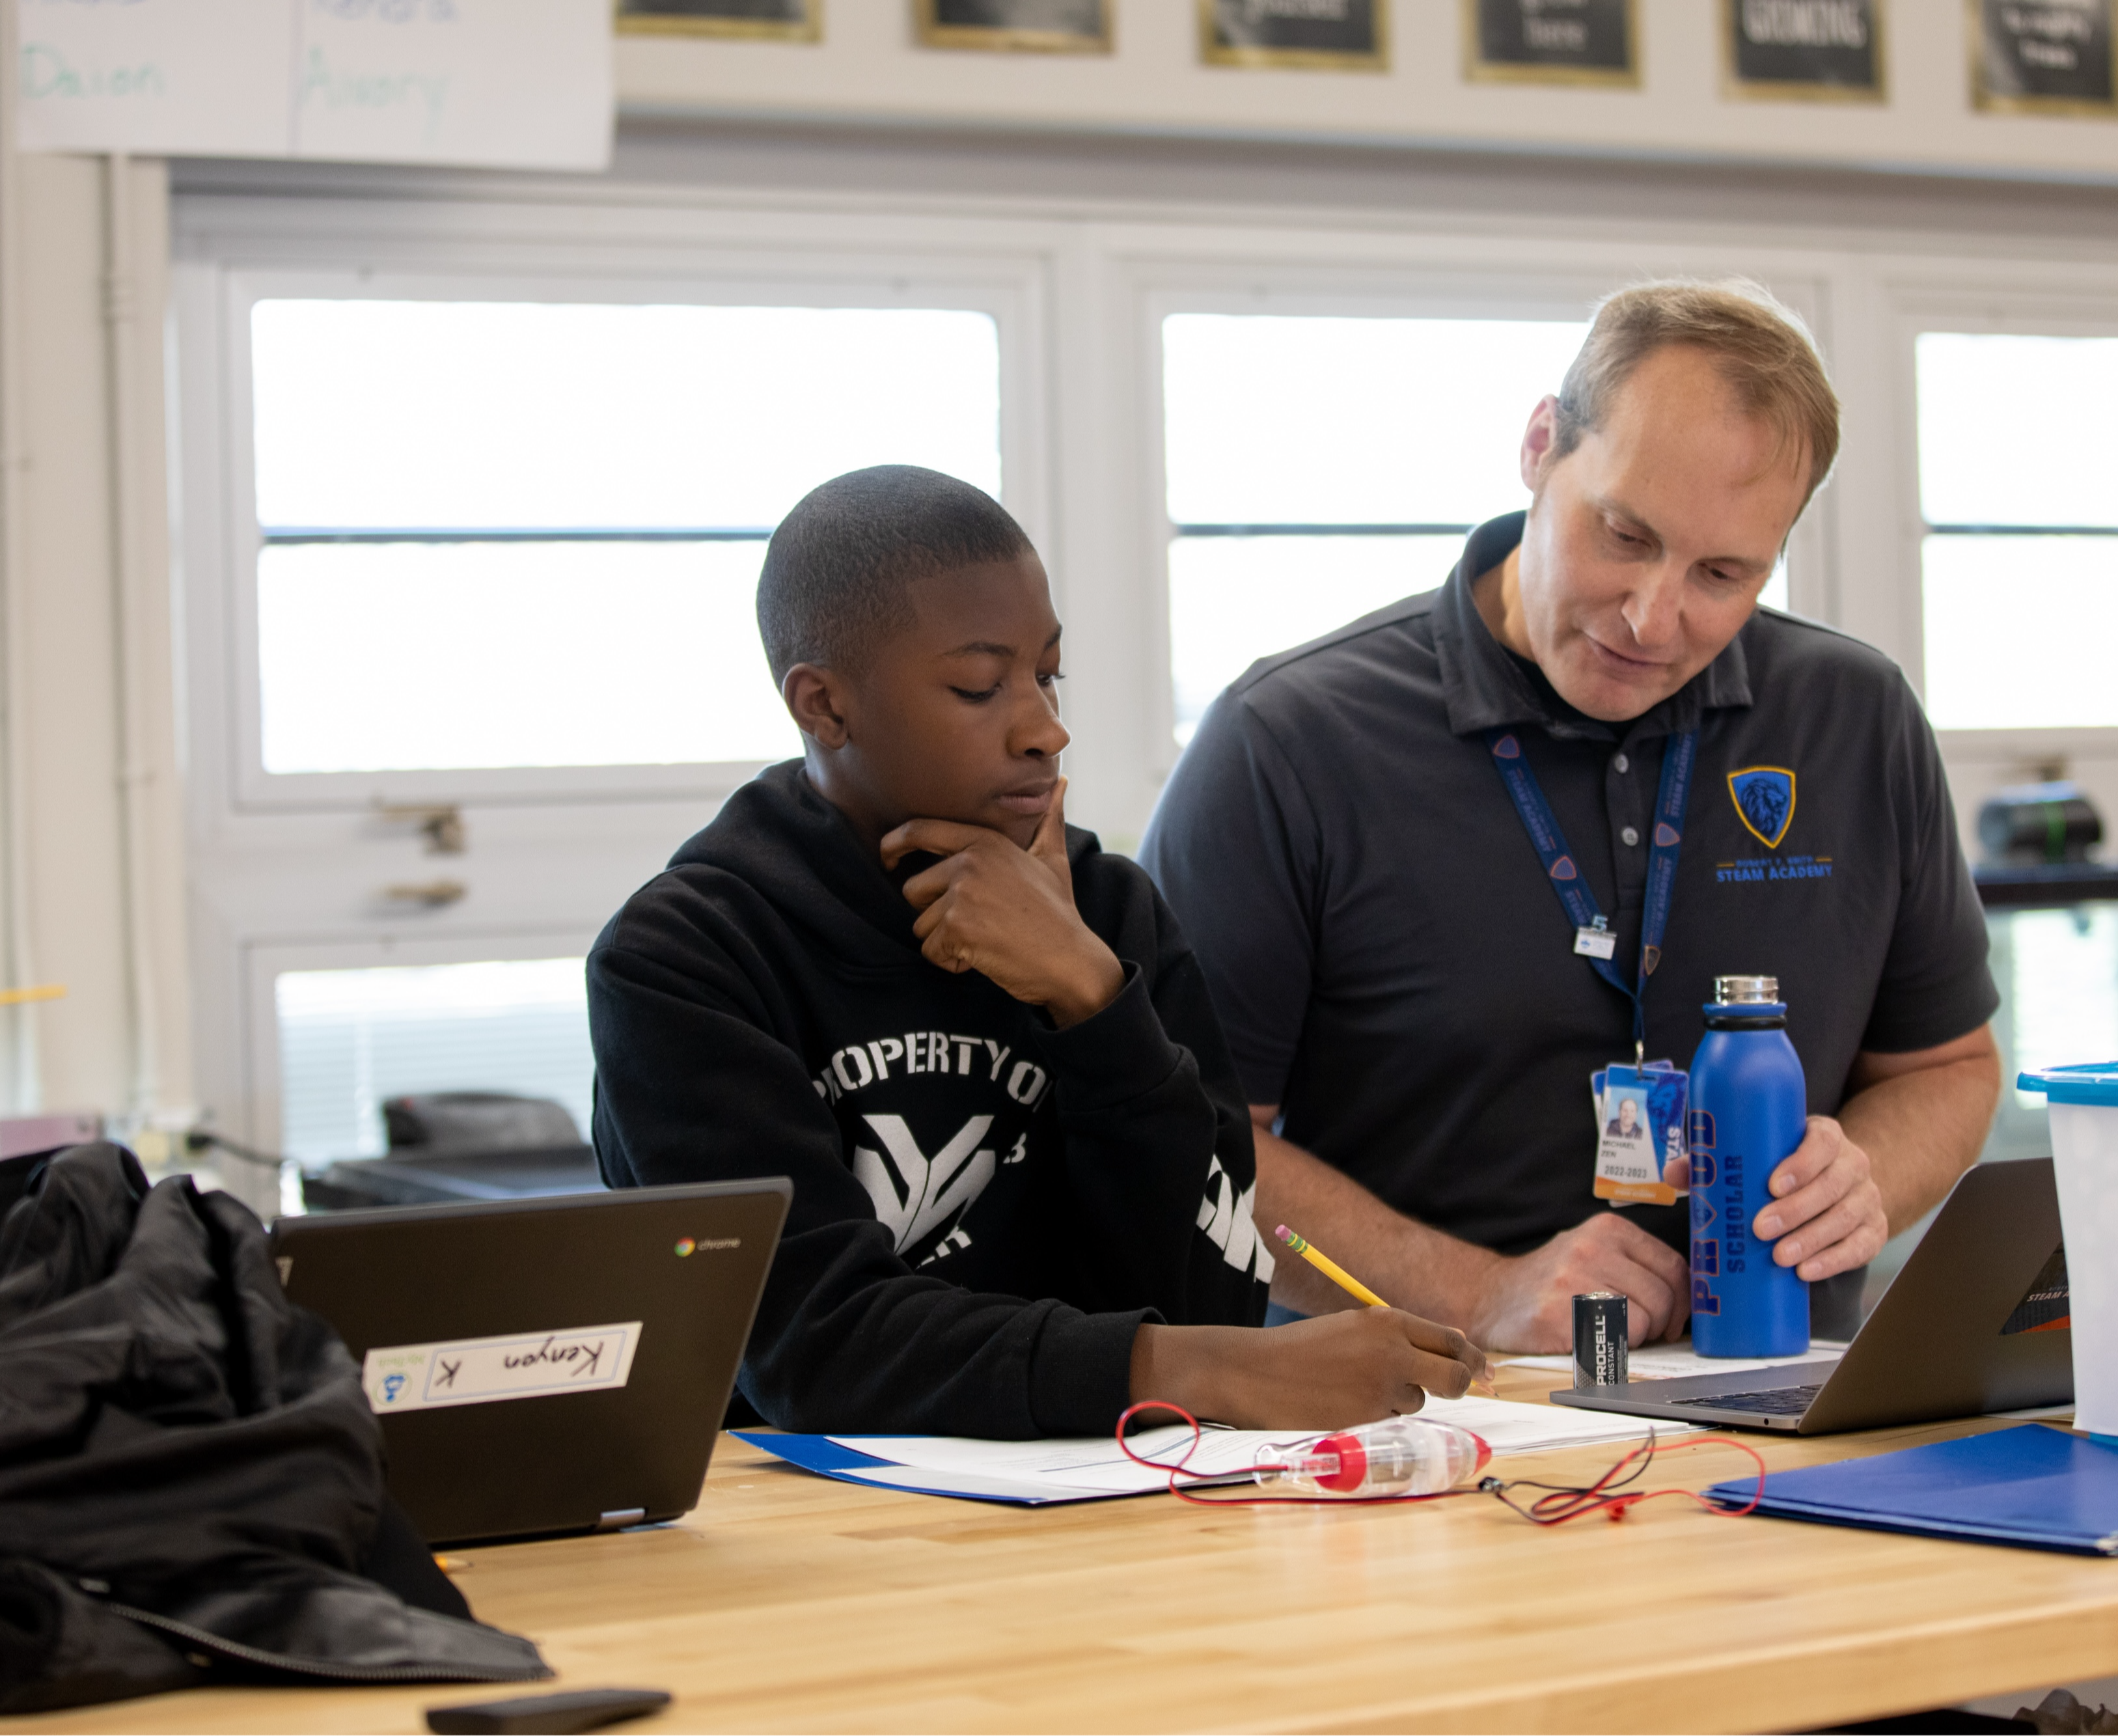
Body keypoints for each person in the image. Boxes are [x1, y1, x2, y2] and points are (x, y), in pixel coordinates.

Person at [1141, 280, 2003, 1353]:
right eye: (1626, 534)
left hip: (1784, 1395)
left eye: (1723, 573)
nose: (1654, 617)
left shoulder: (1854, 716)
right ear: (1543, 445)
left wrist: (1865, 1175)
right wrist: (1477, 1294)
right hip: (1426, 1413)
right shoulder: (1288, 741)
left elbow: (1948, 1068)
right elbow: (1180, 1143)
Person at [587, 465, 1489, 1437]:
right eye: (979, 687)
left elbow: (1212, 1293)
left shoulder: (1108, 912)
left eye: (1047, 674)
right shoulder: (685, 959)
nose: (1046, 728)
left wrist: (1092, 1000)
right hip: (817, 1531)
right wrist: (1195, 1370)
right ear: (825, 706)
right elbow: (814, 1347)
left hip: (1117, 1495)